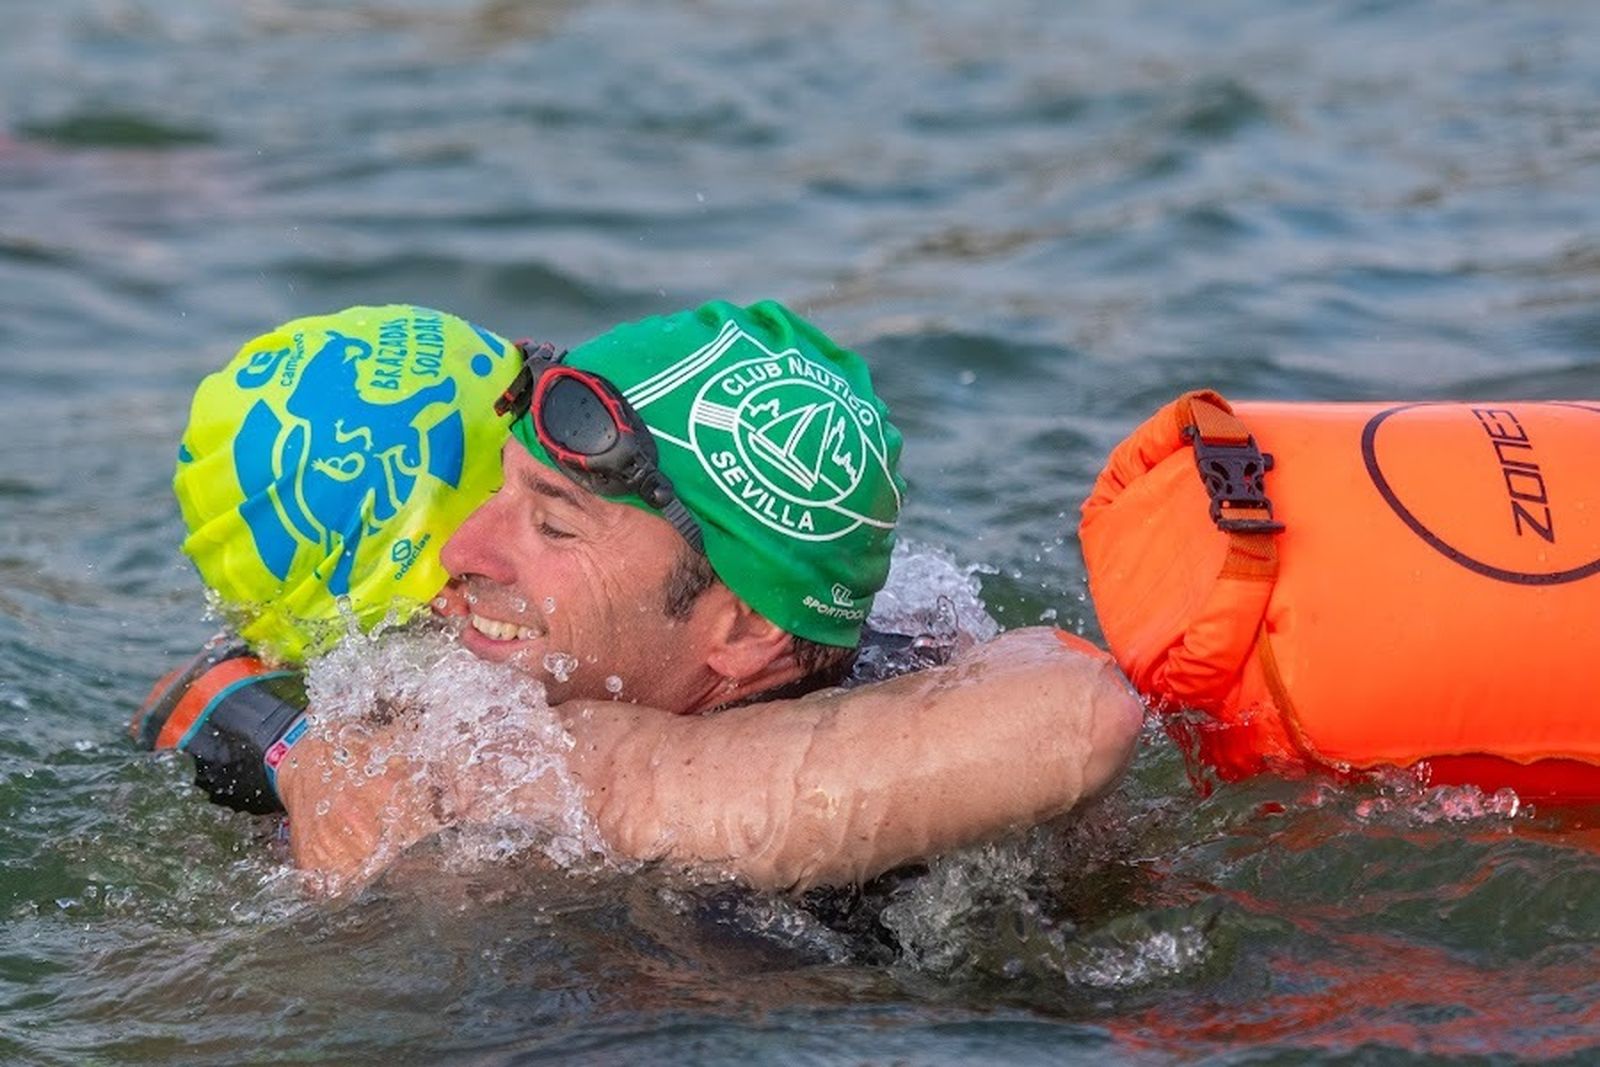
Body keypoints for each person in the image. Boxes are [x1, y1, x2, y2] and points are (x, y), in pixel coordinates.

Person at [139, 301, 1145, 893]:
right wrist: (303, 753)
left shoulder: (889, 706)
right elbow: (189, 693)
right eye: (501, 489)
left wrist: (594, 777)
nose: (458, 549)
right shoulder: (537, 667)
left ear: (743, 629)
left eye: (555, 522)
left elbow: (1082, 712)